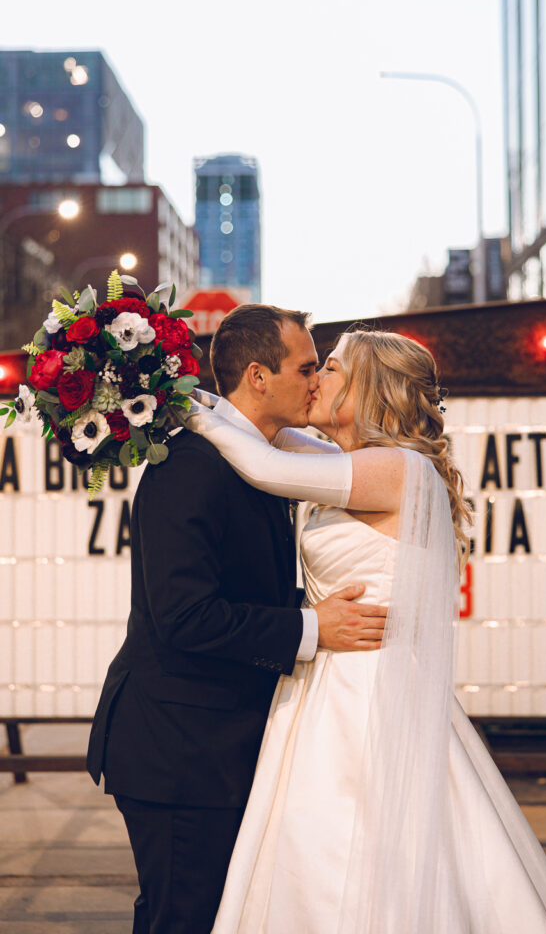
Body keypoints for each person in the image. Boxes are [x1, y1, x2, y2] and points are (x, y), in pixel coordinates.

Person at [184, 328, 546, 933]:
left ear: (370, 387)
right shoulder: (350, 462)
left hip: (369, 692)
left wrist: (172, 400)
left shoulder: (396, 469)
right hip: (327, 682)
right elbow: (265, 432)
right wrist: (197, 397)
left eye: (334, 368)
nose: (317, 377)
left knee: (358, 848)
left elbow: (264, 464)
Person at [86, 306, 388, 934]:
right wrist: (312, 630)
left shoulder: (258, 456)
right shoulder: (190, 466)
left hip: (220, 745)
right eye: (306, 367)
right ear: (257, 376)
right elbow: (183, 616)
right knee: (183, 919)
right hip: (178, 751)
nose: (315, 381)